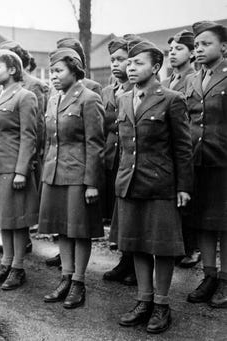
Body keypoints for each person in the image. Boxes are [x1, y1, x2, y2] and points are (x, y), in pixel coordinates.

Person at [113, 41, 193, 334]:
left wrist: (184, 187)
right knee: (136, 244)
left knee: (161, 247)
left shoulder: (172, 99)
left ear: (156, 67)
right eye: (129, 63)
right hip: (130, 183)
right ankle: (143, 300)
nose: (131, 68)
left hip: (160, 184)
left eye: (138, 63)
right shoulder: (123, 99)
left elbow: (183, 148)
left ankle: (161, 305)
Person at [40, 48, 105, 309]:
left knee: (79, 231)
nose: (53, 76)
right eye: (52, 71)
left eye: (59, 71)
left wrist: (91, 183)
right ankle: (65, 277)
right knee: (62, 229)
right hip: (55, 174)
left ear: (74, 70)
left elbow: (95, 144)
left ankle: (79, 282)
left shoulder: (89, 98)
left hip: (78, 175)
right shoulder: (54, 99)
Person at [0, 49, 38, 290]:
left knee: (16, 220)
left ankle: (18, 267)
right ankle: (6, 264)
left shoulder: (25, 96)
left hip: (13, 167)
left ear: (12, 70)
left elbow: (29, 137)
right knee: (4, 219)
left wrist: (21, 171)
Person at [186, 21, 227, 309]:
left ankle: (225, 279)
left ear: (223, 47)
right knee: (203, 221)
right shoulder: (190, 80)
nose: (199, 49)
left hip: (223, 161)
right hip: (196, 161)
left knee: (224, 224)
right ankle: (209, 275)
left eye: (206, 43)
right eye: (196, 45)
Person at [161, 30, 201, 269]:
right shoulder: (166, 82)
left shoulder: (194, 79)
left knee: (189, 197)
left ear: (192, 53)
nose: (173, 53)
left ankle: (192, 246)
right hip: (170, 147)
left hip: (191, 144)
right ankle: (177, 244)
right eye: (171, 50)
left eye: (179, 49)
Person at [101, 37, 137, 286]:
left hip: (131, 158)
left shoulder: (136, 91)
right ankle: (125, 260)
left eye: (121, 59)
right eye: (113, 59)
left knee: (132, 212)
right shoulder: (107, 91)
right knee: (119, 212)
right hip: (112, 158)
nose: (116, 64)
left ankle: (135, 265)